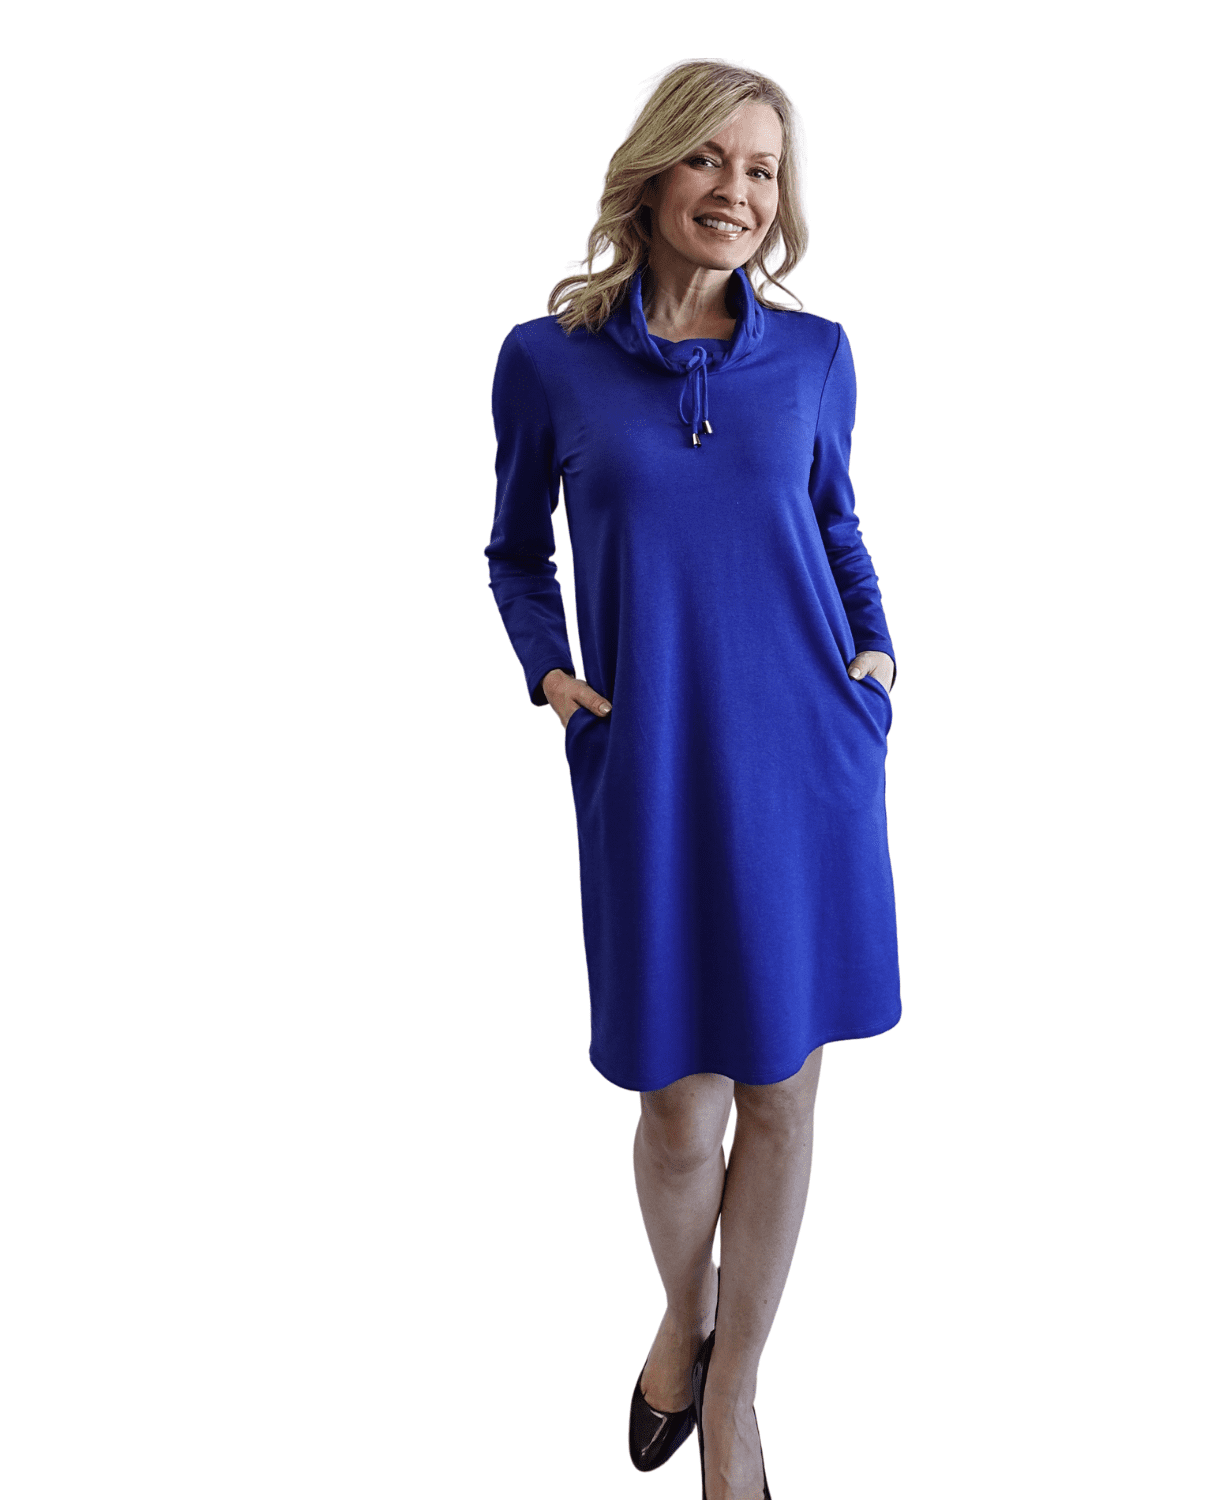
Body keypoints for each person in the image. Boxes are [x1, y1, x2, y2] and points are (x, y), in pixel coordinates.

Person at [485, 58, 899, 1500]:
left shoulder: (818, 357)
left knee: (781, 1087)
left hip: (807, 763)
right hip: (652, 764)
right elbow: (513, 550)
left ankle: (733, 1397)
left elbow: (837, 524)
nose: (738, 192)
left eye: (764, 170)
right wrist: (554, 677)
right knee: (677, 1100)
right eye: (711, 160)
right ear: (653, 172)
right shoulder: (549, 360)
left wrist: (877, 661)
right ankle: (689, 1312)